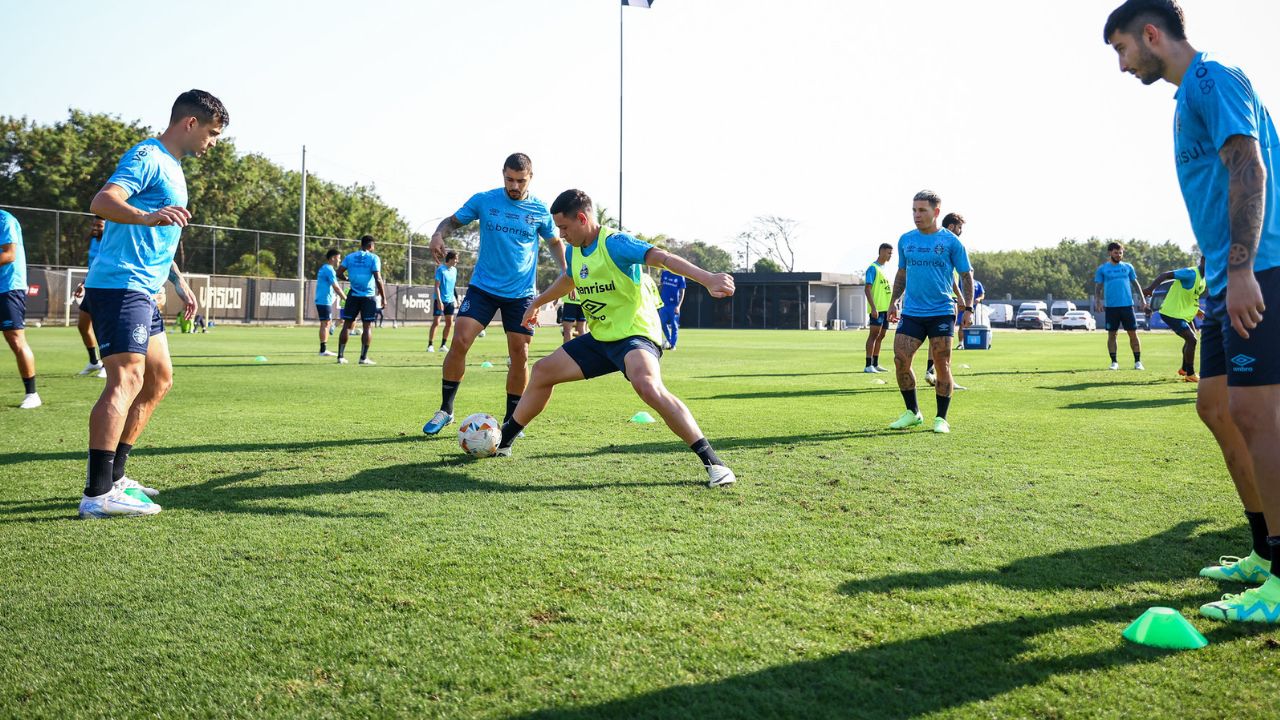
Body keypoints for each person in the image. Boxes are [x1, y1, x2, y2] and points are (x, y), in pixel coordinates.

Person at [1106, 0, 1280, 623]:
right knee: (1216, 407)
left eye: (1124, 49)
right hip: (1220, 278)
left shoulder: (1215, 79)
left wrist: (1239, 270)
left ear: (1153, 34)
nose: (1123, 65)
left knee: (1256, 411)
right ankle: (1264, 551)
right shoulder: (1186, 100)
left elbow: (1248, 168)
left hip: (1260, 268)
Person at [493, 189, 737, 488]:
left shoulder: (616, 243)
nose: (561, 235)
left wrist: (708, 278)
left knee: (647, 385)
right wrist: (538, 301)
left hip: (636, 334)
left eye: (565, 227)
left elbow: (663, 258)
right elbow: (569, 279)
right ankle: (503, 440)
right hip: (602, 337)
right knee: (543, 371)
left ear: (582, 218)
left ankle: (715, 464)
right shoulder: (574, 248)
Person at [79, 89, 219, 519]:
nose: (212, 143)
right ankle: (97, 494)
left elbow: (162, 234)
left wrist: (179, 281)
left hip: (143, 288)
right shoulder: (147, 156)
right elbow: (102, 201)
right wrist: (144, 216)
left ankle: (117, 477)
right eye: (212, 133)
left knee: (158, 380)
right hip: (120, 286)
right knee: (126, 379)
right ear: (190, 123)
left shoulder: (174, 168)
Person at [422, 153, 566, 435]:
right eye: (509, 179)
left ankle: (513, 418)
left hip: (522, 294)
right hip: (483, 288)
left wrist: (567, 271)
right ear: (503, 174)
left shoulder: (540, 210)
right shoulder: (484, 200)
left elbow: (554, 242)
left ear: (530, 178)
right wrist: (438, 234)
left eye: (520, 181)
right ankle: (446, 410)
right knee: (460, 340)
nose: (514, 186)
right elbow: (451, 222)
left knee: (520, 354)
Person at [886, 190, 974, 435]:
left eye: (922, 210)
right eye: (914, 210)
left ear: (936, 212)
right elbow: (902, 273)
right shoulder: (906, 240)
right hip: (912, 312)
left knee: (942, 364)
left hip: (941, 311)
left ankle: (941, 418)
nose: (917, 215)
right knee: (900, 360)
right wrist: (894, 301)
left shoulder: (951, 242)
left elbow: (966, 275)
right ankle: (912, 413)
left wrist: (968, 307)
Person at [0, 210, 40, 409]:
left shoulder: (5, 220)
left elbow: (9, 254)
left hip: (8, 287)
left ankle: (32, 394)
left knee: (15, 339)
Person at [1144, 254, 1206, 380]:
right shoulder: (1190, 273)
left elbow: (1190, 296)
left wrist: (1197, 310)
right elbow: (1165, 274)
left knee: (1191, 340)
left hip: (1184, 314)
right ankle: (1190, 374)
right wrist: (1151, 289)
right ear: (1203, 261)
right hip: (1171, 313)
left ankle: (1184, 369)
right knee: (1192, 340)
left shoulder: (1203, 279)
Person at [1094, 241, 1149, 370]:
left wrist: (1142, 299)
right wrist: (1097, 301)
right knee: (1112, 335)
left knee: (1133, 333)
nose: (1119, 255)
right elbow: (1098, 287)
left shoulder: (1128, 267)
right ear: (1110, 253)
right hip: (1111, 307)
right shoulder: (1103, 269)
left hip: (1127, 306)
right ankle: (1114, 362)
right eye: (1116, 252)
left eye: (1120, 252)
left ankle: (1137, 362)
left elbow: (1136, 284)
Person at [336, 234, 386, 365]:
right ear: (370, 245)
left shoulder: (350, 257)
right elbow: (378, 278)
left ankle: (340, 356)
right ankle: (363, 358)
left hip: (353, 295)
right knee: (367, 326)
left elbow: (338, 273)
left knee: (347, 325)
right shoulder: (374, 258)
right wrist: (383, 297)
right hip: (368, 296)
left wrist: (347, 278)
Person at [73, 216, 107, 377]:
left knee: (102, 328)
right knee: (83, 325)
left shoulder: (110, 241)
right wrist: (83, 284)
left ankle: (107, 365)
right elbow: (93, 266)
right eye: (94, 224)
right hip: (92, 287)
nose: (95, 227)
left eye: (99, 225)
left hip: (107, 288)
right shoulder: (94, 241)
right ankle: (94, 361)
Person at [863, 243, 893, 373]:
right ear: (881, 252)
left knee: (881, 336)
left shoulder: (885, 269)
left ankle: (875, 363)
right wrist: (873, 308)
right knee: (873, 335)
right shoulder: (873, 268)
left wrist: (893, 306)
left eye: (891, 253)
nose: (890, 255)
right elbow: (867, 289)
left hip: (886, 309)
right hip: (877, 309)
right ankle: (868, 365)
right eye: (888, 252)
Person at [316, 249, 347, 357]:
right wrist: (345, 299)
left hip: (323, 300)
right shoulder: (329, 269)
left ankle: (323, 349)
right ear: (333, 258)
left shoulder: (324, 268)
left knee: (326, 323)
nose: (339, 261)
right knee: (326, 324)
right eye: (338, 258)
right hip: (324, 301)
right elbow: (336, 287)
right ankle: (323, 350)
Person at [428, 251, 459, 352]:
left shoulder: (454, 270)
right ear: (450, 259)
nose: (457, 261)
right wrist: (439, 301)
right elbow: (436, 286)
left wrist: (456, 299)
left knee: (449, 323)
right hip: (440, 300)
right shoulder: (441, 269)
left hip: (450, 301)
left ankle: (443, 345)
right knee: (436, 322)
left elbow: (453, 287)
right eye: (456, 259)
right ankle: (430, 345)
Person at [657, 268, 686, 350]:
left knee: (674, 325)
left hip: (674, 305)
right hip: (663, 304)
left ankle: (673, 345)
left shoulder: (680, 277)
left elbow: (682, 292)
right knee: (662, 323)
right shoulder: (665, 273)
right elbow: (661, 287)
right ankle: (669, 341)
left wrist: (678, 306)